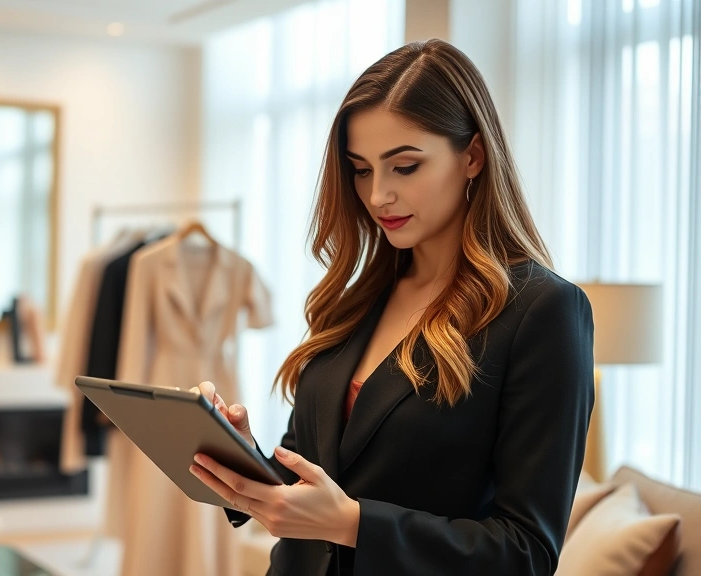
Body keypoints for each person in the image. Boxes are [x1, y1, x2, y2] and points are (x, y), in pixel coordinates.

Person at [189, 39, 595, 575]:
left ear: (472, 156)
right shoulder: (355, 300)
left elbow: (526, 553)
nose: (378, 195)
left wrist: (353, 523)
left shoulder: (542, 312)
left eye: (404, 167)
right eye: (361, 169)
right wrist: (245, 457)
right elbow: (313, 482)